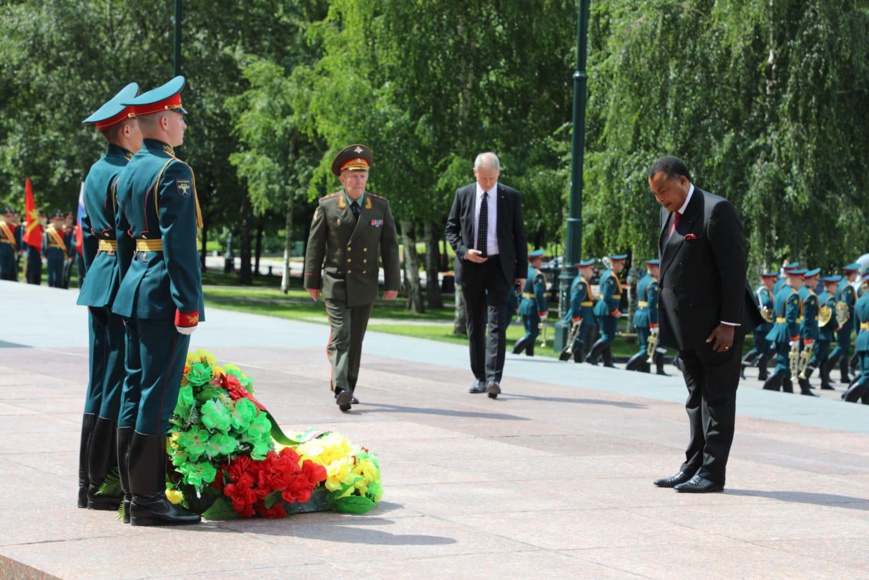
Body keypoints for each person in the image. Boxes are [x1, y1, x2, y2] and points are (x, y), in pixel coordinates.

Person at [113, 76, 203, 526]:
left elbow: (125, 237)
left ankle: (133, 496)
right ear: (165, 120)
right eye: (181, 117)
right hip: (163, 293)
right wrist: (189, 304)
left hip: (134, 289)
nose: (185, 125)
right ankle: (148, 500)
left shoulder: (130, 167)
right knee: (158, 394)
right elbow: (180, 245)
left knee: (134, 390)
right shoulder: (173, 171)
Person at [648, 155, 761, 494]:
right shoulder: (668, 212)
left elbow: (733, 270)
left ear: (683, 180)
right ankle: (692, 466)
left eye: (664, 191)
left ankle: (712, 474)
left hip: (717, 328)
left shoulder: (717, 210)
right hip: (687, 327)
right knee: (696, 399)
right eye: (655, 194)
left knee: (718, 400)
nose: (661, 199)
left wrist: (729, 323)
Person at [75, 82, 141, 512]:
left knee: (100, 379)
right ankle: (103, 481)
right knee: (117, 380)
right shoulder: (122, 173)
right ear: (125, 129)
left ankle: (87, 479)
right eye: (136, 122)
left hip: (99, 277)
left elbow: (86, 236)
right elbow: (126, 238)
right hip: (118, 278)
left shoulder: (97, 171)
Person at [304, 144, 400, 411]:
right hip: (335, 281)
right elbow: (315, 245)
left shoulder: (379, 206)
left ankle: (349, 387)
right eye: (353, 175)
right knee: (342, 334)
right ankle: (341, 388)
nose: (358, 180)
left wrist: (393, 282)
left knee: (356, 338)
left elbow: (390, 246)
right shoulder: (328, 206)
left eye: (362, 175)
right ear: (342, 178)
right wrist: (311, 281)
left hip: (365, 283)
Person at [445, 152, 528, 399]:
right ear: (475, 173)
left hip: (499, 267)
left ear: (498, 174)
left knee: (497, 322)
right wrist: (464, 252)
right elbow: (451, 229)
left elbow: (519, 236)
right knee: (475, 323)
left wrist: (522, 273)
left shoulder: (510, 197)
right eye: (484, 178)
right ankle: (479, 376)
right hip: (471, 267)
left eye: (492, 178)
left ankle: (494, 378)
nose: (488, 183)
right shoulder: (463, 194)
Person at [586, 254, 627, 368]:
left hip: (605, 309)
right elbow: (608, 297)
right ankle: (592, 356)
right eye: (621, 264)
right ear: (615, 264)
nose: (622, 266)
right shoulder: (611, 277)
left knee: (606, 335)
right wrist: (615, 311)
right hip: (607, 310)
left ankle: (607, 360)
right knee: (608, 336)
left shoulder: (608, 274)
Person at [626, 259, 665, 374]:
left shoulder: (643, 280)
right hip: (647, 318)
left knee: (644, 346)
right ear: (654, 269)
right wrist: (654, 324)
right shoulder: (653, 283)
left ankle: (644, 372)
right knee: (646, 350)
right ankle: (629, 368)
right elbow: (652, 306)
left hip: (640, 317)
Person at [824, 263, 860, 384]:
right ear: (852, 274)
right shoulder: (848, 287)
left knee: (844, 348)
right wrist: (856, 307)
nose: (856, 277)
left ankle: (844, 375)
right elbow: (845, 303)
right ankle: (825, 370)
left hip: (841, 319)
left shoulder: (841, 284)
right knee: (841, 347)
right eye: (856, 274)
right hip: (845, 320)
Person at [740, 272, 777, 380]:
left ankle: (763, 372)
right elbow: (765, 302)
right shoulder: (764, 290)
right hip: (763, 326)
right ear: (767, 280)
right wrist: (772, 301)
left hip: (765, 326)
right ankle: (742, 365)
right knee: (758, 349)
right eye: (772, 281)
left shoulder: (764, 290)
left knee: (765, 350)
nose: (773, 283)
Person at [513, 249, 548, 356]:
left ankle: (529, 354)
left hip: (524, 304)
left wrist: (519, 301)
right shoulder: (538, 275)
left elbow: (517, 288)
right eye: (540, 260)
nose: (540, 263)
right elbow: (539, 295)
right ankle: (515, 351)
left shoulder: (524, 271)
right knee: (533, 333)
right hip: (533, 307)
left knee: (529, 332)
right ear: (536, 261)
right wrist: (542, 310)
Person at [560, 259, 596, 362]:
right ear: (584, 270)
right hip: (581, 315)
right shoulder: (581, 283)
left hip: (583, 314)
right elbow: (575, 301)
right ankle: (561, 360)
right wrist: (576, 317)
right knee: (576, 341)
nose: (592, 272)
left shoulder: (581, 281)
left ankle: (578, 363)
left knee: (579, 342)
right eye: (590, 269)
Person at [796, 268, 821, 395]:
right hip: (806, 332)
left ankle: (804, 385)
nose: (817, 282)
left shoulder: (801, 292)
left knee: (800, 360)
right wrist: (808, 337)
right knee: (803, 360)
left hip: (800, 330)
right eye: (816, 279)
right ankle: (804, 387)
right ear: (810, 279)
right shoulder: (810, 296)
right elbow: (808, 320)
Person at [813, 275, 841, 390]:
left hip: (820, 331)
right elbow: (831, 315)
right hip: (824, 333)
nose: (836, 288)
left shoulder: (820, 296)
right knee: (817, 358)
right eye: (835, 285)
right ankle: (804, 378)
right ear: (831, 286)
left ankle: (824, 382)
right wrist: (837, 326)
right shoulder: (830, 299)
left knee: (823, 359)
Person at [842, 286, 869, 403]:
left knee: (864, 374)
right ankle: (849, 396)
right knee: (867, 375)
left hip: (862, 339)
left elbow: (857, 326)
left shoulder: (861, 300)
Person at [42, 210, 69, 288]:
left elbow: (67, 245)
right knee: (50, 274)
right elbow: (44, 245)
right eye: (57, 220)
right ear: (52, 221)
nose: (59, 222)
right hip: (51, 254)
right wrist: (43, 256)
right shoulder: (48, 232)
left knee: (59, 275)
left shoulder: (65, 232)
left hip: (61, 255)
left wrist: (67, 257)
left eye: (61, 220)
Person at [0, 207, 19, 281]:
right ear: (3, 217)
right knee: (2, 268)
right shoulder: (1, 226)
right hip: (1, 249)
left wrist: (17, 251)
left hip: (11, 249)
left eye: (11, 216)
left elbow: (17, 240)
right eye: (7, 216)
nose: (9, 218)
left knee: (10, 268)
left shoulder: (15, 227)